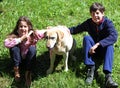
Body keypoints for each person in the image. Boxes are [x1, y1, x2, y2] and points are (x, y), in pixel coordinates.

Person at [69, 2, 118, 87]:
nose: (95, 16)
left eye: (97, 13)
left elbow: (114, 36)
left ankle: (108, 77)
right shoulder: (88, 23)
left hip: (103, 50)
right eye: (93, 14)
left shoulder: (107, 23)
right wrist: (62, 29)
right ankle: (90, 69)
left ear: (103, 13)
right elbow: (76, 29)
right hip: (92, 50)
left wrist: (98, 44)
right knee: (87, 38)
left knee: (110, 46)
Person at [4, 16, 46, 87]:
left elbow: (44, 32)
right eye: (21, 26)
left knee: (32, 48)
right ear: (17, 28)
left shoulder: (33, 35)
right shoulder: (15, 36)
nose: (23, 29)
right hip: (18, 60)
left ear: (29, 27)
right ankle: (16, 70)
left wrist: (51, 30)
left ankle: (28, 73)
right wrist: (20, 39)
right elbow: (6, 43)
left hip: (29, 61)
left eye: (25, 26)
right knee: (14, 48)